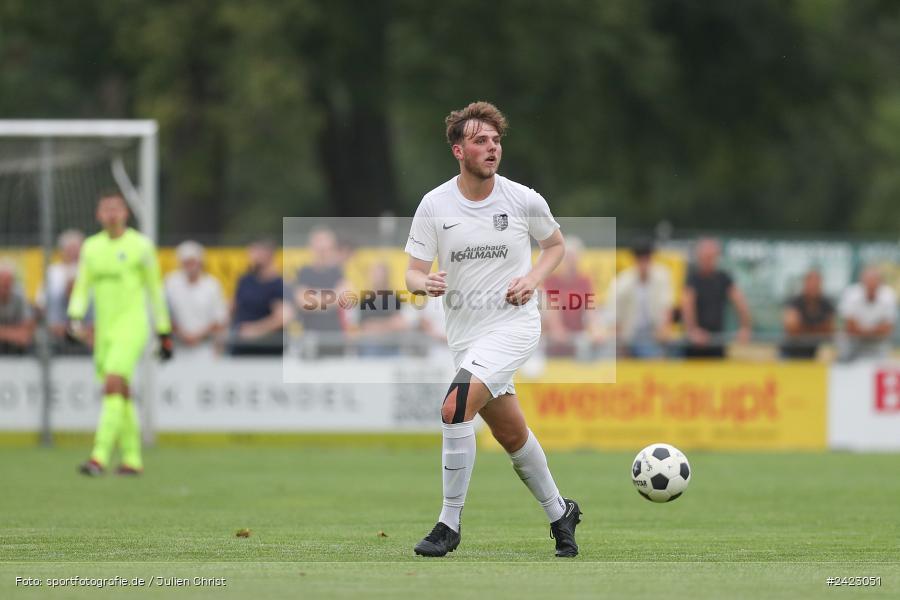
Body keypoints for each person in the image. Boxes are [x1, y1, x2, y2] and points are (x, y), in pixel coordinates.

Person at [405, 101, 580, 558]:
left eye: (496, 141)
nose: (492, 148)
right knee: (511, 434)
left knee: (453, 407)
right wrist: (425, 282)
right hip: (465, 338)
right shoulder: (434, 204)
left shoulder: (523, 199)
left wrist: (533, 280)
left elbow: (555, 246)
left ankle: (448, 524)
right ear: (458, 150)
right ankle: (560, 512)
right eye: (481, 141)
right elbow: (411, 273)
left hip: (514, 327)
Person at [68, 192, 172, 476]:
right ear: (98, 215)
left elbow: (155, 290)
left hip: (132, 325)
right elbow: (82, 286)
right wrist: (74, 315)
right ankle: (132, 459)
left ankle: (98, 457)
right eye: (106, 209)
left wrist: (164, 331)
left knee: (112, 383)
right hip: (104, 331)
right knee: (120, 392)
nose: (112, 214)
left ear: (126, 213)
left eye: (116, 209)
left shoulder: (141, 246)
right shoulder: (91, 247)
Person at [681, 238, 752, 358]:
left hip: (717, 341)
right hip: (695, 344)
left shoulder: (723, 278)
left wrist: (745, 327)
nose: (708, 260)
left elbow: (740, 303)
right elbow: (687, 305)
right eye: (705, 257)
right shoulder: (692, 278)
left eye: (711, 257)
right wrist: (693, 331)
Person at [607, 239, 674, 358]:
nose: (644, 263)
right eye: (640, 258)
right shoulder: (623, 282)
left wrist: (664, 330)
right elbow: (616, 316)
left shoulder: (662, 276)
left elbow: (667, 307)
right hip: (630, 337)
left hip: (654, 335)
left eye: (646, 258)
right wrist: (621, 343)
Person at [293, 227, 348, 357]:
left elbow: (345, 298)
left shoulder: (338, 272)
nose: (323, 253)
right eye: (320, 249)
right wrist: (333, 297)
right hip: (310, 337)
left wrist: (314, 297)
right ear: (312, 248)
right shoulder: (304, 273)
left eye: (327, 249)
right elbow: (302, 301)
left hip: (335, 338)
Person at [165, 241, 228, 354]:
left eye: (192, 262)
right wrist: (182, 334)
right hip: (177, 348)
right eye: (186, 262)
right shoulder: (170, 283)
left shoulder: (212, 285)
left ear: (200, 262)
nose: (189, 266)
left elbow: (219, 319)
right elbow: (163, 313)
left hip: (206, 348)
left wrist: (197, 336)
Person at [230, 239, 288, 356]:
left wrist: (255, 330)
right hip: (240, 348)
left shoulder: (277, 284)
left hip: (266, 351)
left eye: (255, 251)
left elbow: (281, 318)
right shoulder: (245, 280)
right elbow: (233, 307)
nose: (251, 255)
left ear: (267, 254)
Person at [541, 236, 595, 358]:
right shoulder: (551, 280)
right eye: (568, 258)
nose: (571, 261)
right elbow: (551, 307)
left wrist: (595, 329)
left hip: (577, 335)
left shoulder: (584, 281)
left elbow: (590, 308)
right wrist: (557, 329)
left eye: (574, 257)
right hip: (555, 340)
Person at [347, 261, 408, 356]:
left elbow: (399, 324)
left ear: (386, 276)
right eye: (374, 273)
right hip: (370, 347)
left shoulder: (394, 299)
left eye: (379, 274)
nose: (376, 277)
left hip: (391, 347)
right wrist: (387, 325)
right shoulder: (365, 300)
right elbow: (362, 328)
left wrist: (375, 326)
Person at [837, 266, 897, 361]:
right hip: (854, 344)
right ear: (862, 283)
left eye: (874, 283)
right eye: (868, 283)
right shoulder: (851, 294)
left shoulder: (888, 295)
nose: (871, 286)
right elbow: (849, 326)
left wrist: (862, 331)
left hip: (878, 345)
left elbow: (887, 328)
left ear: (880, 284)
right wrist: (874, 331)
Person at [40, 229, 85, 343]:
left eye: (76, 249)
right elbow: (42, 300)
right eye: (69, 249)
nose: (73, 253)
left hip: (85, 316)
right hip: (58, 320)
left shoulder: (88, 270)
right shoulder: (53, 271)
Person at [780, 269, 835, 359]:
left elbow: (830, 330)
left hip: (816, 352)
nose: (813, 286)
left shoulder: (826, 303)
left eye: (816, 283)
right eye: (811, 283)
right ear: (804, 283)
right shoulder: (794, 302)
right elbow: (792, 329)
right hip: (792, 351)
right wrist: (817, 329)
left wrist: (804, 328)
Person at [0, 261, 36, 355]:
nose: (5, 285)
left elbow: (25, 335)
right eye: (3, 282)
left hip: (16, 350)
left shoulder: (19, 297)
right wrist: (13, 333)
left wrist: (4, 333)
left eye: (8, 282)